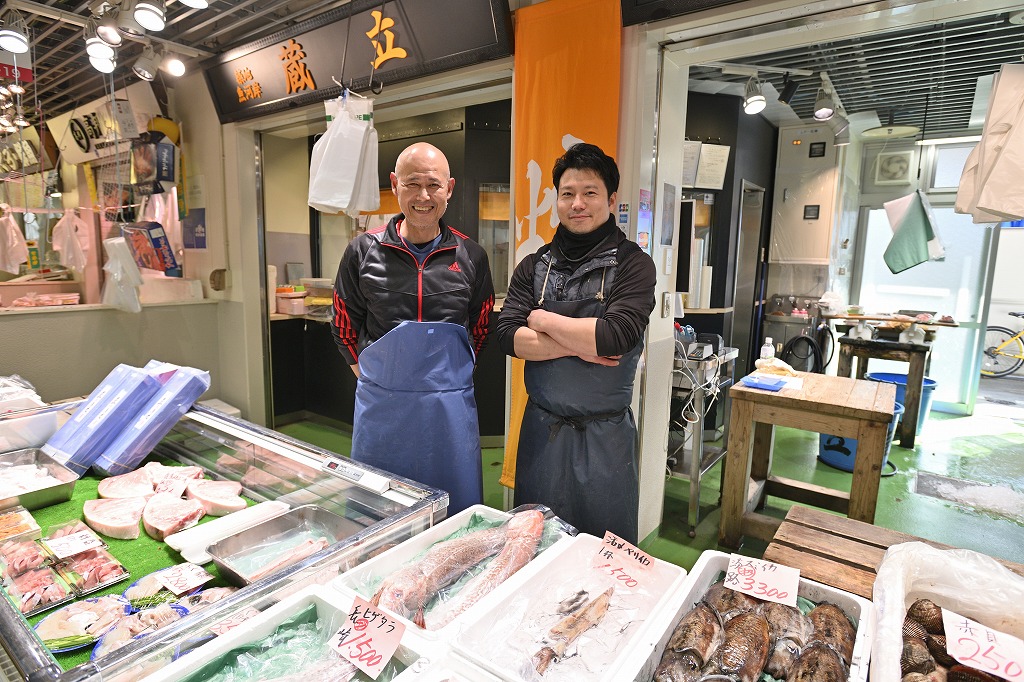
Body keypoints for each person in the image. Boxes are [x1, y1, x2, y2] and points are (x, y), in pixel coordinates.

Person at [494, 143, 656, 544]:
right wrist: (582, 344)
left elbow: (615, 336)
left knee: (604, 555)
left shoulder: (634, 264)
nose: (577, 203)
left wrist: (542, 320)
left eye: (590, 193)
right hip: (542, 434)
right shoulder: (534, 266)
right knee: (535, 545)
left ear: (611, 200)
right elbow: (508, 336)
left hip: (605, 442)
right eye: (567, 193)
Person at [331, 142, 495, 514]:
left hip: (449, 407)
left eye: (433, 185)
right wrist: (374, 376)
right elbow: (343, 323)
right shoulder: (362, 251)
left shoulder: (472, 255)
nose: (423, 196)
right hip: (382, 406)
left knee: (454, 514)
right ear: (395, 184)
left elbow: (482, 325)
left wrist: (451, 377)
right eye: (412, 184)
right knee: (379, 511)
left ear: (449, 188)